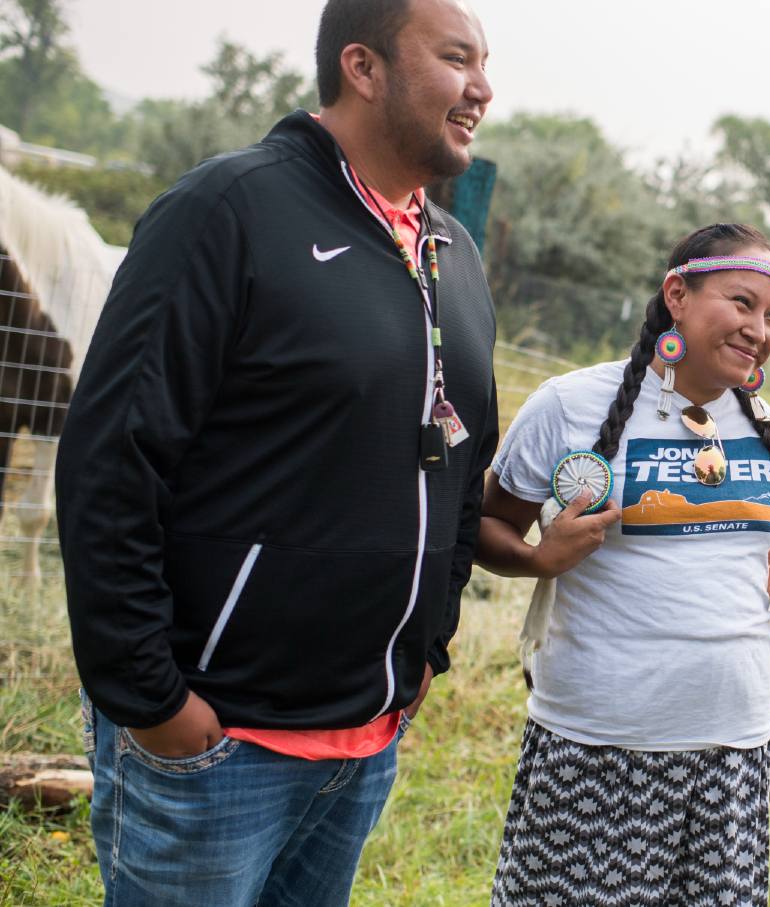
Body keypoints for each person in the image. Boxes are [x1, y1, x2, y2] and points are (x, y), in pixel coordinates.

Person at [54, 0, 498, 903]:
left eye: (485, 64)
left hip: (366, 744)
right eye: (456, 59)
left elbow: (459, 467)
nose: (482, 88)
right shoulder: (226, 210)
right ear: (363, 67)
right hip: (218, 746)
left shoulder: (456, 254)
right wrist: (154, 702)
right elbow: (111, 463)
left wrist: (425, 654)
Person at [477, 223, 770, 905]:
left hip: (734, 745)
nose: (759, 328)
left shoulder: (763, 423)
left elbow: (768, 566)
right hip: (602, 742)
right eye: (741, 302)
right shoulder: (569, 405)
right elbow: (487, 524)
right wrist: (535, 557)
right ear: (677, 294)